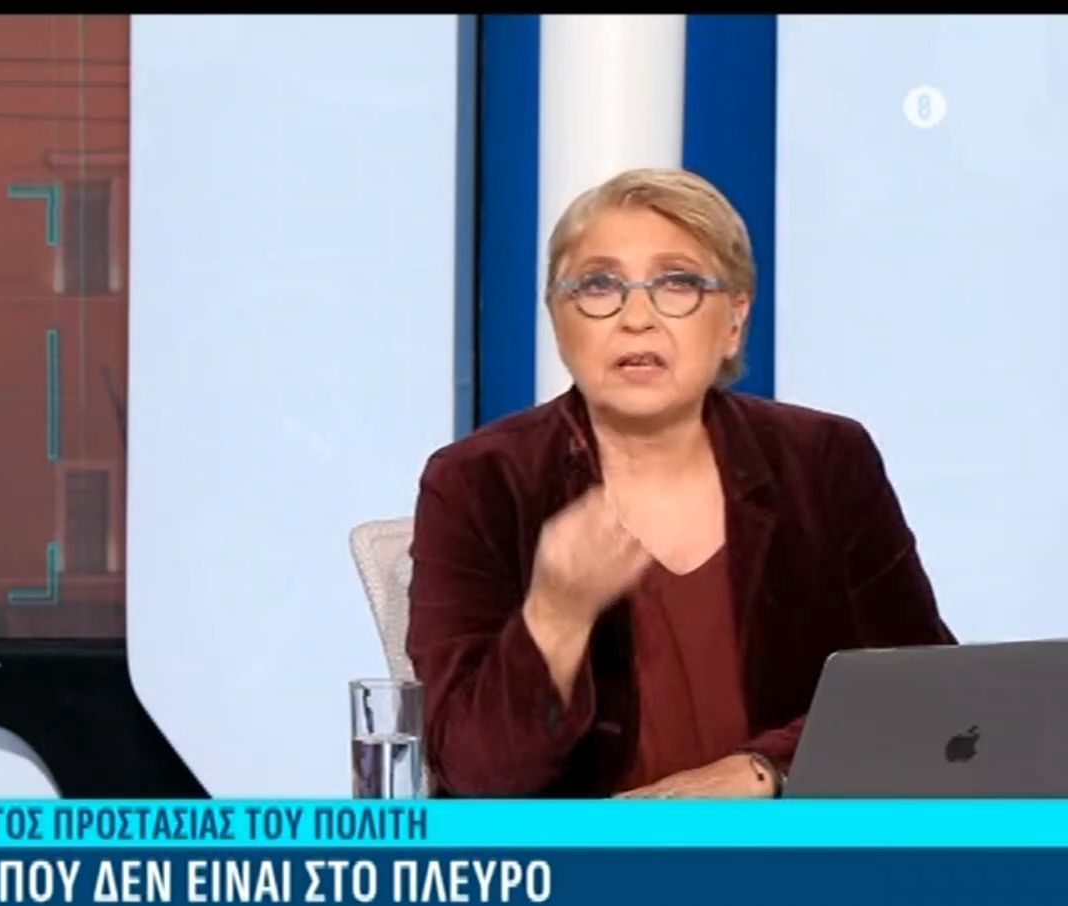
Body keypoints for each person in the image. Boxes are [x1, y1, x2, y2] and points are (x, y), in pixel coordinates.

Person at [406, 166, 953, 799]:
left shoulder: (826, 459)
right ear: (559, 321)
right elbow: (472, 777)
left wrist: (766, 768)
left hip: (790, 849)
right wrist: (556, 613)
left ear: (734, 321)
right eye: (599, 285)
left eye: (678, 283)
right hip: (580, 857)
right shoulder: (478, 483)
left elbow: (926, 694)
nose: (636, 317)